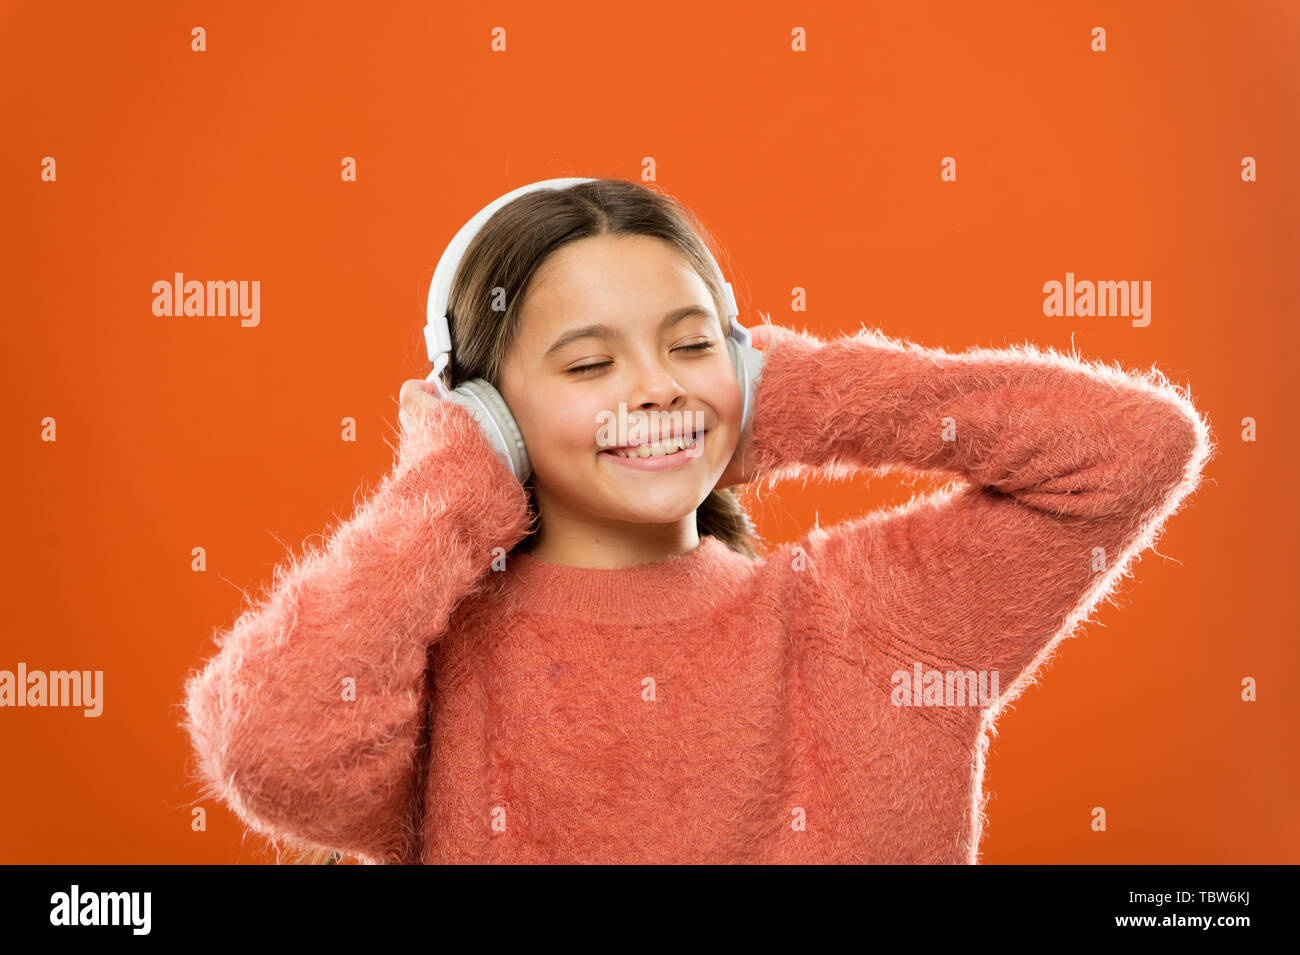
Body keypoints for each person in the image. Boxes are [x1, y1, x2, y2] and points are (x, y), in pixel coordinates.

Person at [180, 178, 1214, 864]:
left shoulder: (872, 621)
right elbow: (274, 749)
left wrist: (808, 395)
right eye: (589, 363)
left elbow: (1131, 447)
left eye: (688, 344)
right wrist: (448, 485)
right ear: (485, 411)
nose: (654, 389)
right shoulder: (439, 663)